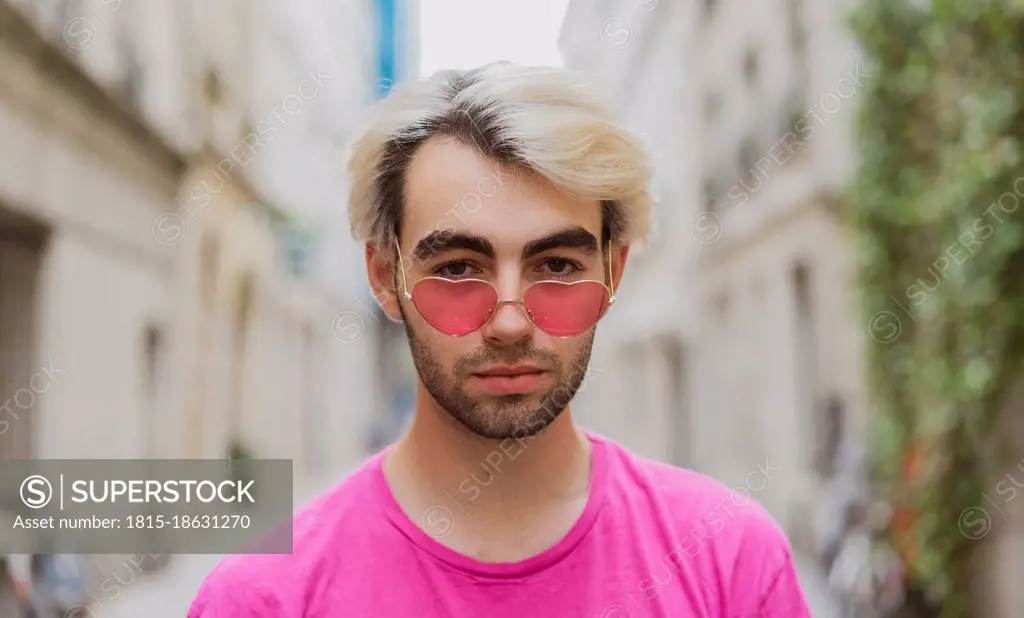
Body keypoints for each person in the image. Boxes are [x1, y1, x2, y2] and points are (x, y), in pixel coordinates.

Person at [187, 62, 813, 617]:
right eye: (458, 267)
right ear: (385, 276)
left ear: (613, 272)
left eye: (558, 266)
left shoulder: (730, 563)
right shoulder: (262, 599)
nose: (510, 322)